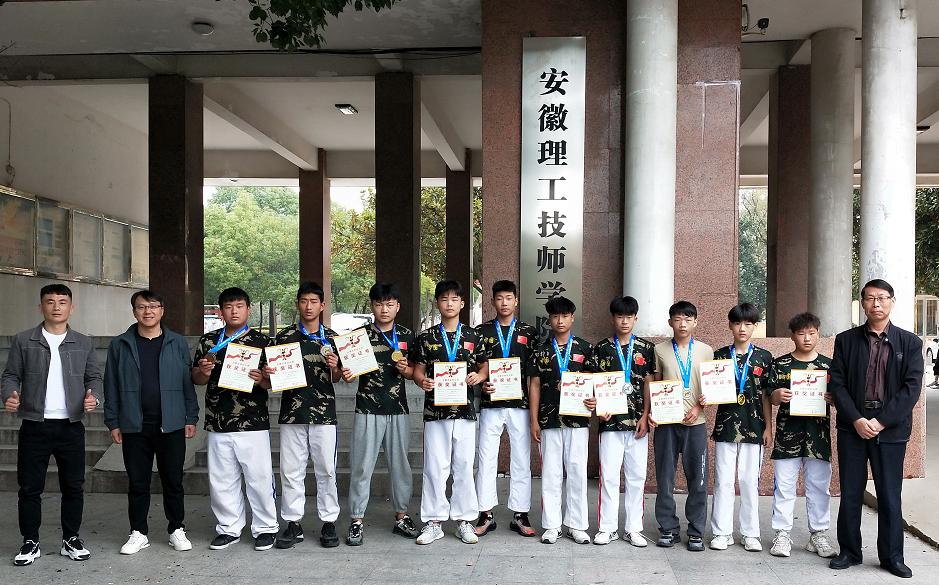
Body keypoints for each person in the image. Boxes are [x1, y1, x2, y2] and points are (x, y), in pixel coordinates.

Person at [829, 279, 924, 579]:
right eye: (870, 298)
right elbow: (837, 384)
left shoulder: (910, 343)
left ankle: (892, 556)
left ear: (892, 301)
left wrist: (881, 421)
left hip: (891, 429)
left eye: (882, 298)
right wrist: (857, 419)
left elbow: (911, 390)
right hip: (852, 427)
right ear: (862, 303)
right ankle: (849, 551)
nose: (876, 304)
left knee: (889, 495)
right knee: (851, 491)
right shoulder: (846, 340)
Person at [2, 283, 101, 566]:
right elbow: (10, 375)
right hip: (35, 424)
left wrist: (94, 397)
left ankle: (71, 539)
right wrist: (9, 394)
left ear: (71, 307)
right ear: (41, 306)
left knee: (73, 486)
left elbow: (94, 377)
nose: (56, 307)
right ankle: (30, 541)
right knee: (29, 488)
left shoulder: (83, 342)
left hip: (71, 425)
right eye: (50, 301)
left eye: (62, 302)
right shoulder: (24, 340)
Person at [103, 290, 200, 555]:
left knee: (173, 480)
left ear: (162, 310)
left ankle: (176, 528)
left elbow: (187, 383)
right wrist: (113, 421)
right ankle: (138, 532)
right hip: (134, 424)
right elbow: (111, 385)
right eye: (142, 307)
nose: (148, 311)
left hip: (171, 423)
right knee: (137, 481)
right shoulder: (120, 344)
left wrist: (191, 416)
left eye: (153, 306)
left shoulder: (177, 342)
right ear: (134, 311)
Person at [191, 287, 279, 551]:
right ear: (220, 312)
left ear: (248, 309)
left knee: (259, 477)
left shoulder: (262, 342)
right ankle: (228, 528)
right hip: (218, 420)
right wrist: (204, 371)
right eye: (228, 307)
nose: (234, 311)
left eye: (239, 306)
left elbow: (272, 383)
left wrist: (262, 379)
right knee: (222, 479)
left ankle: (266, 528)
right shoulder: (209, 342)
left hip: (252, 421)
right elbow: (196, 378)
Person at [412, 280, 488, 545]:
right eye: (444, 299)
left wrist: (479, 376)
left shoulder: (473, 336)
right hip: (435, 412)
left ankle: (464, 520)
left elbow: (484, 365)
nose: (449, 304)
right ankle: (434, 522)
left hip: (465, 411)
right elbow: (418, 370)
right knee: (435, 466)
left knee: (464, 466)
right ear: (437, 303)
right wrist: (422, 381)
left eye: (454, 299)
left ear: (462, 303)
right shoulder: (427, 337)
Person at [343, 282, 419, 546]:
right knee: (362, 465)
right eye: (378, 304)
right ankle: (356, 519)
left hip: (398, 409)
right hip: (367, 408)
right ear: (372, 306)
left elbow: (415, 373)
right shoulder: (358, 337)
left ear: (398, 307)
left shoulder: (408, 336)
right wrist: (347, 374)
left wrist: (407, 370)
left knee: (400, 466)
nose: (384, 309)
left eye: (389, 304)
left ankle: (402, 516)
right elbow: (346, 373)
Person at [268, 281, 342, 549]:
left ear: (322, 305)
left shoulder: (333, 338)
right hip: (293, 413)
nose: (308, 306)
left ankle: (329, 521)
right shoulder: (284, 338)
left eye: (313, 302)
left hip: (324, 414)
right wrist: (268, 374)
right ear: (298, 304)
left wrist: (335, 366)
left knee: (327, 470)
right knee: (291, 470)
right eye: (303, 301)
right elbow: (271, 379)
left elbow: (340, 377)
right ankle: (293, 523)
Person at [766, 312, 836, 559]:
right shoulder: (781, 364)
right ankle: (782, 534)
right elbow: (769, 395)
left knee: (819, 487)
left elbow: (841, 397)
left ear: (818, 334)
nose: (807, 338)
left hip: (818, 437)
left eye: (811, 333)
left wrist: (833, 398)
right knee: (784, 486)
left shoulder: (829, 366)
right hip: (788, 436)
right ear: (792, 336)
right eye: (801, 333)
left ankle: (818, 534)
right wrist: (777, 396)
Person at [473, 280, 539, 537]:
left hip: (520, 405)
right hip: (491, 404)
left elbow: (534, 374)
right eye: (499, 298)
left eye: (509, 298)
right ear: (492, 301)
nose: (504, 303)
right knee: (486, 458)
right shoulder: (481, 332)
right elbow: (476, 366)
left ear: (516, 301)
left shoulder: (529, 332)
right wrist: (483, 383)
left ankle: (520, 513)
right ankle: (485, 512)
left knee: (521, 459)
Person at [528, 296, 595, 545]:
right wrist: (534, 420)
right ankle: (552, 525)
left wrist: (595, 400)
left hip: (578, 420)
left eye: (565, 316)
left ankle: (577, 525)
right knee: (551, 472)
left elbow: (595, 383)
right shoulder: (541, 350)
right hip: (549, 419)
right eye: (555, 316)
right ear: (549, 319)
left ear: (572, 318)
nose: (560, 320)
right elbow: (534, 385)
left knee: (577, 471)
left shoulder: (585, 349)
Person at [708, 303, 773, 552]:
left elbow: (766, 396)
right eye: (737, 323)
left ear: (755, 326)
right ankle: (721, 532)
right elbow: (712, 390)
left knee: (749, 481)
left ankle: (750, 533)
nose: (742, 328)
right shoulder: (720, 356)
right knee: (723, 481)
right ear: (730, 325)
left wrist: (768, 428)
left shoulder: (764, 357)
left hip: (755, 427)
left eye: (748, 324)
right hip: (726, 427)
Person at [592, 296, 655, 547]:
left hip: (638, 423)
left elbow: (649, 383)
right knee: (608, 476)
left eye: (629, 317)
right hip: (610, 423)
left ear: (636, 318)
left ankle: (633, 528)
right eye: (620, 316)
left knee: (636, 477)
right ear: (612, 319)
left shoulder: (646, 348)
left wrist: (645, 415)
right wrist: (600, 408)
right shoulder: (601, 348)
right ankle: (606, 528)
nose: (624, 321)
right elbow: (594, 384)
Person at [652, 300, 714, 552]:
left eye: (688, 319)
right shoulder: (660, 350)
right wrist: (654, 412)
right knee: (665, 478)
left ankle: (696, 531)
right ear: (670, 322)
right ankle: (668, 528)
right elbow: (656, 384)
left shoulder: (706, 351)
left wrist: (699, 408)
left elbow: (711, 388)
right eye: (677, 319)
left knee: (698, 479)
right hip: (667, 423)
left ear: (695, 322)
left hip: (696, 423)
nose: (682, 324)